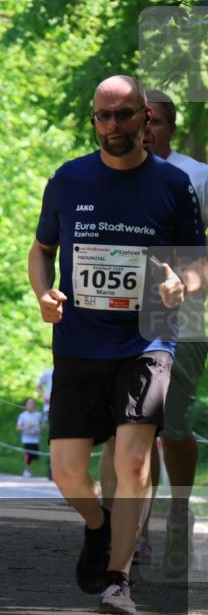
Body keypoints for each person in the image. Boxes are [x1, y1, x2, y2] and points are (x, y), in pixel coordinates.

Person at [28, 75, 204, 615]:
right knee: (66, 471)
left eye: (124, 115)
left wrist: (184, 284)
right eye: (103, 117)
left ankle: (118, 578)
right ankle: (98, 526)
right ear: (94, 121)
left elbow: (199, 260)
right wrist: (43, 294)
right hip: (79, 340)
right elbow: (41, 250)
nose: (113, 127)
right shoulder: (69, 179)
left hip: (149, 338)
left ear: (145, 120)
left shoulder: (173, 186)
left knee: (131, 461)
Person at [98, 88, 208, 574]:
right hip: (121, 322)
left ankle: (179, 514)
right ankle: (130, 532)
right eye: (135, 119)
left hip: (186, 321)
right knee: (127, 427)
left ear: (170, 128)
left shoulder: (199, 177)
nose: (145, 129)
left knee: (173, 427)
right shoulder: (107, 173)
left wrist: (183, 284)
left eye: (156, 121)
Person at [16, 398, 43, 478]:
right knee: (27, 454)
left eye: (32, 403)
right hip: (26, 439)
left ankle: (34, 470)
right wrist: (25, 427)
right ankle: (27, 470)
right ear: (26, 405)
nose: (31, 405)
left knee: (34, 455)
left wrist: (38, 429)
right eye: (29, 403)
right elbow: (18, 427)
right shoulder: (22, 415)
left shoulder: (38, 414)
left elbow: (42, 424)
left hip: (35, 438)